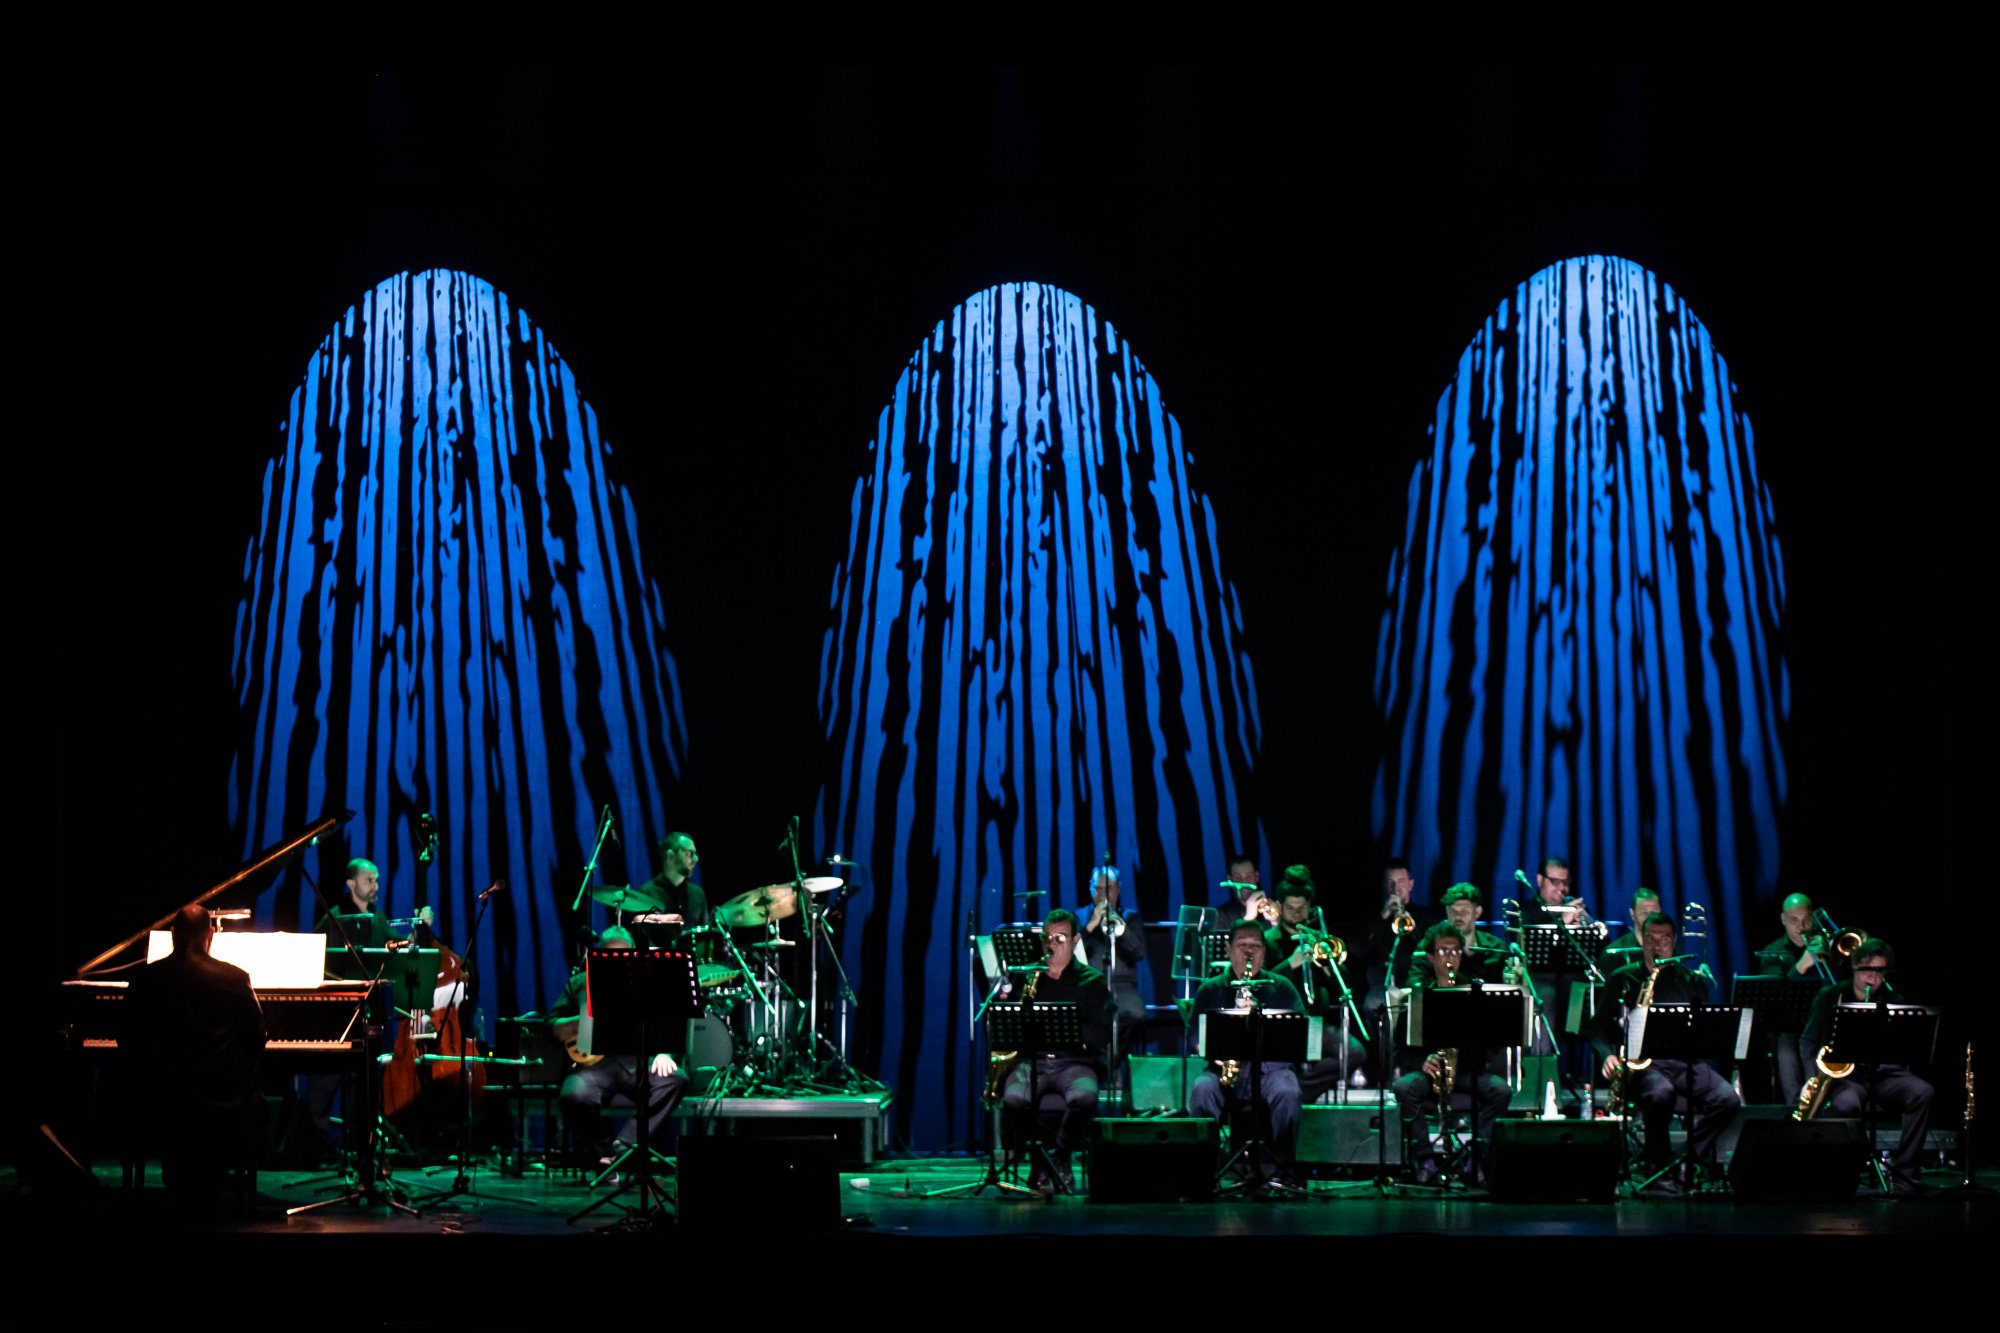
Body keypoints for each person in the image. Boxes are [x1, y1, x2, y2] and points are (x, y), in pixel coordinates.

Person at [123, 905, 267, 1204]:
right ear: (210, 934)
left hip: (159, 1099)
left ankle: (174, 1183)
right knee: (255, 1101)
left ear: (173, 934)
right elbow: (256, 1038)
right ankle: (218, 1178)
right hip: (221, 1100)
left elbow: (127, 1039)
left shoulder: (144, 979)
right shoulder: (235, 978)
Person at [1589, 912, 1741, 1191]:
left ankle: (1681, 1160)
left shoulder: (1689, 980)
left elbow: (1704, 1030)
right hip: (1642, 1067)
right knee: (1661, 1093)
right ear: (1642, 941)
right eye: (1651, 939)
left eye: (1665, 940)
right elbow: (1597, 1029)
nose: (1657, 946)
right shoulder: (1622, 978)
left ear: (1675, 941)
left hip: (1684, 1063)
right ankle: (1657, 1166)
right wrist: (1607, 1055)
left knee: (1728, 1099)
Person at [549, 926, 689, 1174]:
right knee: (573, 1095)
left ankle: (624, 1146)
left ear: (633, 954)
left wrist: (665, 1053)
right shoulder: (580, 982)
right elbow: (551, 1026)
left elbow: (669, 1023)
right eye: (609, 955)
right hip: (593, 1066)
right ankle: (604, 1156)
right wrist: (581, 1021)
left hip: (637, 1063)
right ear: (599, 954)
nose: (616, 961)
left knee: (675, 1079)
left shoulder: (648, 981)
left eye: (622, 955)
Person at [1799, 938, 1933, 1194]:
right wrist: (1811, 1079)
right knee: (1846, 1104)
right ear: (1854, 968)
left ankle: (1905, 1175)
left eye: (1880, 971)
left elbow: (1905, 1050)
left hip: (1884, 1075)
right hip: (1846, 1078)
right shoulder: (1831, 996)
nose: (1873, 977)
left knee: (1923, 1092)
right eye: (1867, 970)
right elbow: (1807, 1041)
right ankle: (1845, 1173)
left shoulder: (1894, 1000)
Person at [999, 909, 1113, 1193]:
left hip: (1074, 1062)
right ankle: (1039, 1163)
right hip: (1032, 1061)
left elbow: (1101, 1034)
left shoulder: (1092, 981)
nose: (1052, 944)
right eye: (1048, 938)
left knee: (1084, 1098)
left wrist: (1067, 1026)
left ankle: (1060, 1156)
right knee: (1013, 1099)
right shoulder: (1028, 977)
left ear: (1075, 941)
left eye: (1060, 938)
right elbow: (1009, 1024)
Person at [1393, 922, 1512, 1184]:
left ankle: (1476, 1159)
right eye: (1443, 952)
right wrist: (1422, 1062)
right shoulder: (1417, 996)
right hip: (1430, 1073)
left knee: (1501, 1091)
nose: (1450, 958)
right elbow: (1400, 1050)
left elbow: (1488, 1046)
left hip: (1466, 1071)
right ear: (1431, 957)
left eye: (1456, 951)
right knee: (1404, 1087)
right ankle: (1424, 1159)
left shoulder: (1474, 993)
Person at [1189, 920, 1306, 1174]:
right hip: (1224, 1070)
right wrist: (1212, 1051)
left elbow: (1300, 1034)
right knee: (1202, 1089)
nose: (1248, 952)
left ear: (1264, 951)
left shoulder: (1282, 987)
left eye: (1255, 946)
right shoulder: (1210, 989)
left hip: (1271, 1070)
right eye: (1242, 946)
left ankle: (1284, 1170)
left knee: (1288, 1091)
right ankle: (1205, 1169)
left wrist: (1258, 1017)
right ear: (1229, 950)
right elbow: (1194, 1037)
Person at [1260, 866, 1366, 1097]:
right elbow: (1261, 986)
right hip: (1279, 1024)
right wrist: (1290, 964)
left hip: (1313, 1022)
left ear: (1309, 907)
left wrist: (1327, 966)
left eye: (1302, 908)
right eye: (1291, 908)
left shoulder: (1318, 940)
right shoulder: (1267, 940)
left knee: (1355, 1052)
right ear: (1280, 908)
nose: (1297, 914)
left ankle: (1300, 1092)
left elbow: (1345, 986)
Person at [1757, 892, 1830, 1104]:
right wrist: (1801, 966)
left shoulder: (1826, 948)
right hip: (1786, 1026)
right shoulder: (1772, 951)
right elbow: (1774, 996)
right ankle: (1795, 1107)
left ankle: (1822, 1106)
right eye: (1794, 920)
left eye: (1806, 920)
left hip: (1821, 1024)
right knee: (1786, 1052)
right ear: (1783, 920)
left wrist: (1830, 959)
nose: (1801, 927)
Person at [1080, 865, 1146, 1064]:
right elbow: (1072, 954)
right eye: (1097, 889)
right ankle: (1101, 1064)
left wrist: (1120, 926)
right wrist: (1091, 925)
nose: (1102, 895)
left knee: (1135, 1015)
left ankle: (1109, 1064)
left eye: (1108, 889)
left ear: (1118, 889)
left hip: (1123, 985)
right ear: (1090, 888)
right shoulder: (1078, 917)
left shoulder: (1131, 917)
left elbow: (1139, 953)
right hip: (1090, 985)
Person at [312, 857, 432, 950]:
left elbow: (398, 945)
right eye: (369, 880)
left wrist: (419, 929)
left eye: (376, 881)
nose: (376, 887)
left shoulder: (378, 916)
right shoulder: (335, 917)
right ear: (351, 884)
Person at [630, 832, 711, 946]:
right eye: (689, 853)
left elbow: (705, 936)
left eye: (695, 853)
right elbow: (643, 941)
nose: (695, 859)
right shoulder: (647, 893)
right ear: (670, 856)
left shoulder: (697, 894)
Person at [1602, 888, 1663, 963]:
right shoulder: (1614, 954)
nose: (1650, 917)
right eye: (1644, 912)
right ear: (1632, 914)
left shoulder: (1667, 949)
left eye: (1654, 912)